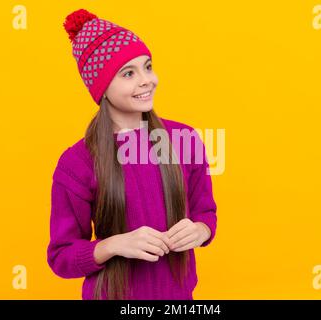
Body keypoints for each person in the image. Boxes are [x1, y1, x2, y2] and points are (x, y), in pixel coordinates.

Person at [47, 8, 218, 300]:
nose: (147, 80)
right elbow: (61, 256)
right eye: (129, 73)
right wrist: (113, 245)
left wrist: (201, 231)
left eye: (148, 66)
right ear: (101, 87)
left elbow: (206, 213)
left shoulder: (184, 140)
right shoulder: (77, 163)